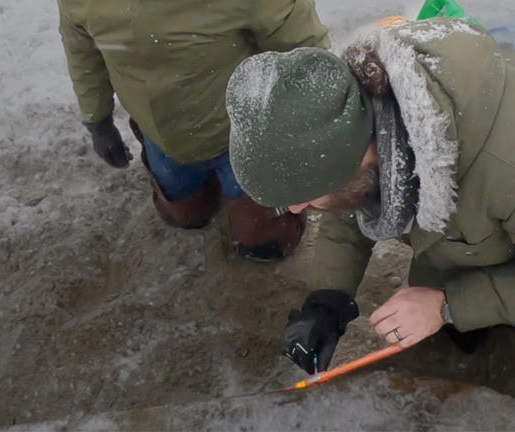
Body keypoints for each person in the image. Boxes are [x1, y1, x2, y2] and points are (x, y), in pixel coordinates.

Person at [225, 17, 515, 374]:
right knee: (479, 324)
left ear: (357, 158)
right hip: (482, 217)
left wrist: (446, 306)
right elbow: (349, 208)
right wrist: (327, 301)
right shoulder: (353, 127)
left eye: (304, 196)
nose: (300, 210)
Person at [57, 0, 329, 260]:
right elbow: (81, 49)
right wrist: (98, 121)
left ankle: (260, 212)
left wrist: (321, 120)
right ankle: (206, 194)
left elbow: (302, 45)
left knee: (265, 241)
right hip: (165, 139)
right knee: (184, 216)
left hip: (246, 135)